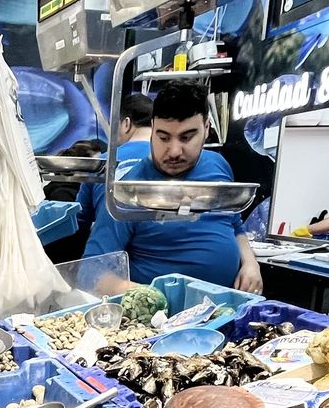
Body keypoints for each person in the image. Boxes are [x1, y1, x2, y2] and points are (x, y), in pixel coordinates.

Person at [83, 83, 263, 294]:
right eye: (164, 137)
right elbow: (91, 272)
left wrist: (251, 264)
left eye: (186, 137)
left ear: (206, 128)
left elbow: (235, 225)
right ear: (152, 128)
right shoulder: (129, 193)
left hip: (227, 306)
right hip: (163, 318)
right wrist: (153, 296)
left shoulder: (217, 165)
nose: (174, 151)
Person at [77, 92, 154, 236]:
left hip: (111, 248)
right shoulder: (169, 161)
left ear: (126, 124)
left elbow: (80, 218)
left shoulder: (100, 163)